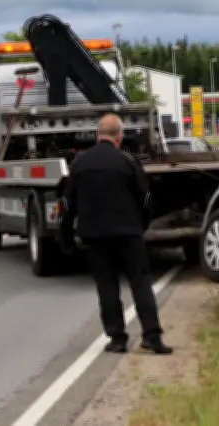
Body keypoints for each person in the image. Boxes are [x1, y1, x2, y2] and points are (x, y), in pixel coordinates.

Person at [60, 113, 173, 355]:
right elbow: (146, 199)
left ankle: (117, 338)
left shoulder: (81, 164)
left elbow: (67, 204)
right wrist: (141, 225)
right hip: (128, 233)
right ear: (119, 137)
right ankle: (152, 336)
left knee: (107, 285)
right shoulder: (128, 161)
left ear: (97, 135)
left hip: (95, 235)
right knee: (140, 282)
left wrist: (66, 237)